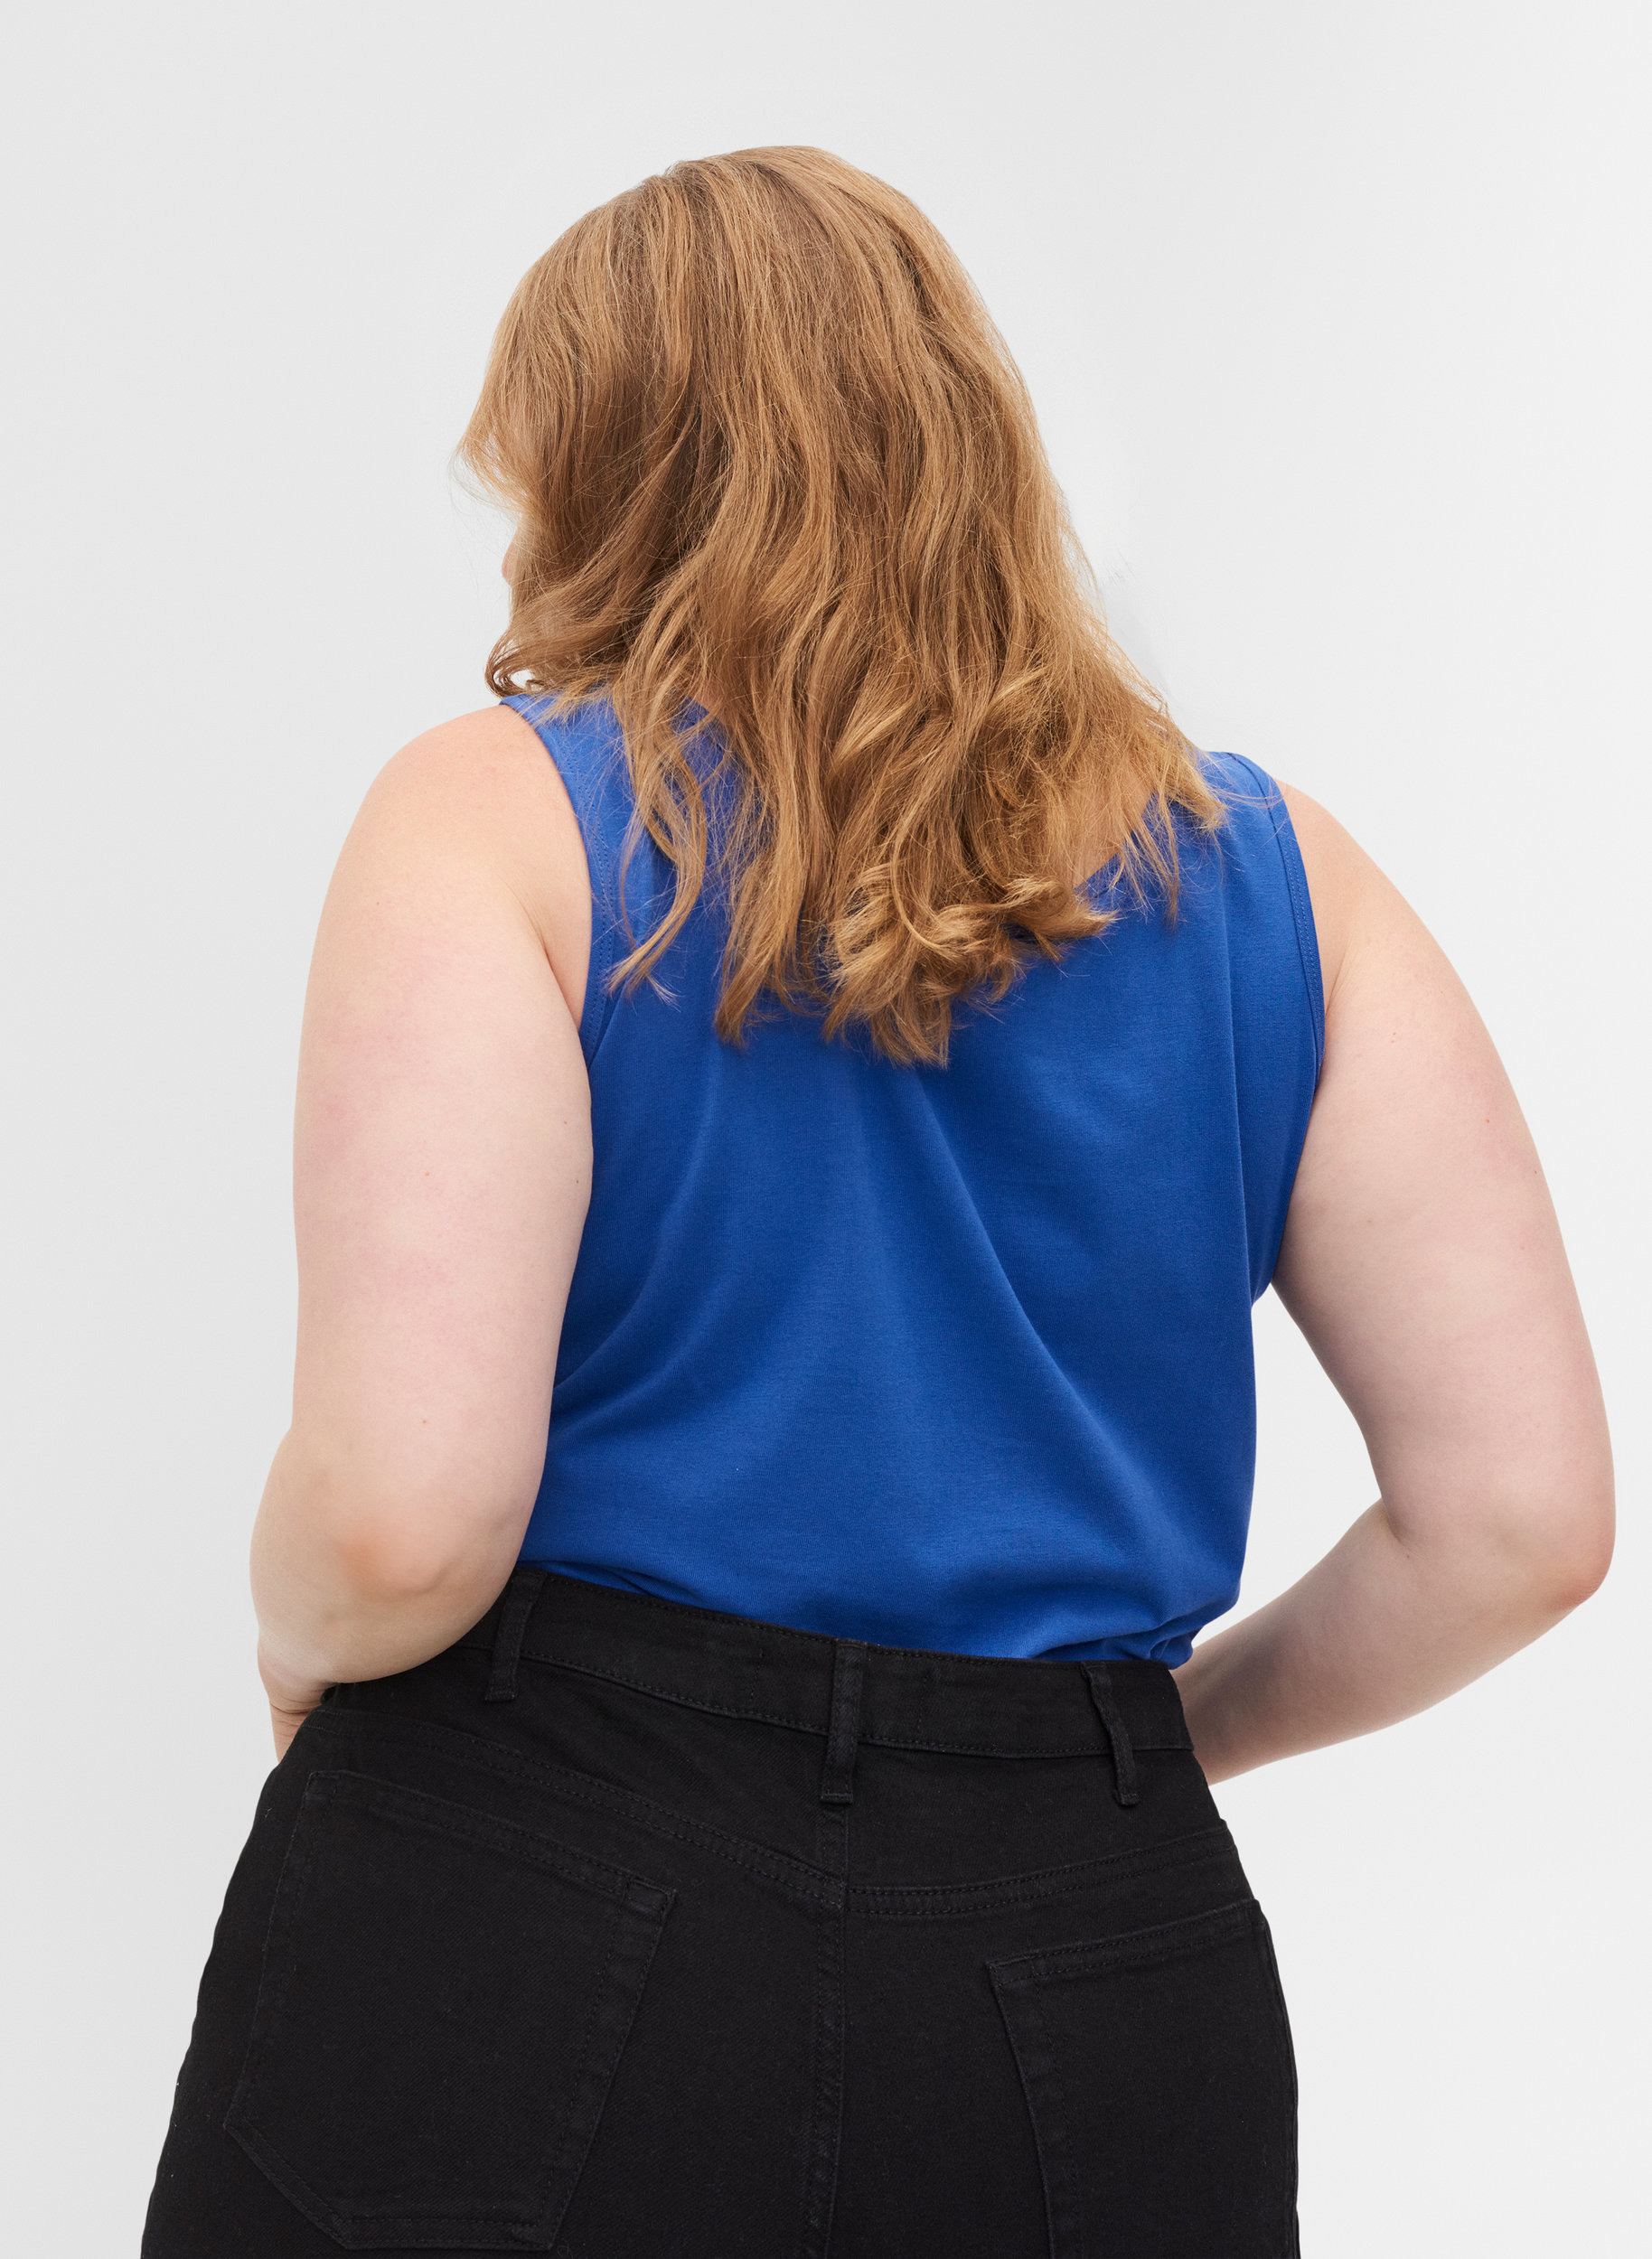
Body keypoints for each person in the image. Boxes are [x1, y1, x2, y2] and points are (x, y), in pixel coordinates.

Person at [142, 147, 1612, 2258]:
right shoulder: (1282, 882)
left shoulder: (496, 817)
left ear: (603, 469)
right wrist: (1138, 1746)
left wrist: (302, 1657)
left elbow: (398, 1518)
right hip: (1085, 1971)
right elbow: (1520, 1518)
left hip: (516, 1883)